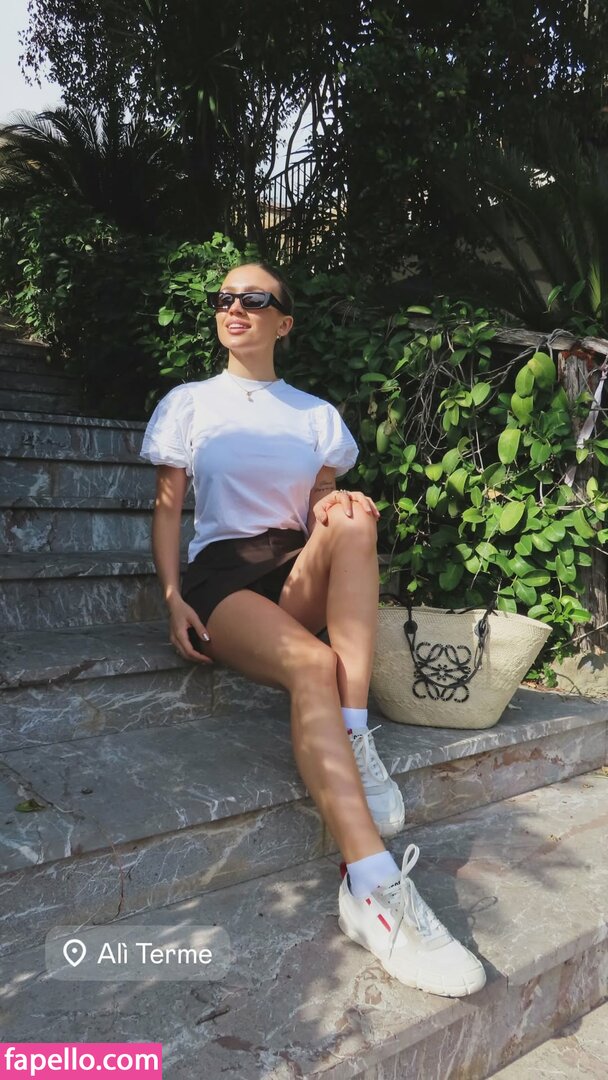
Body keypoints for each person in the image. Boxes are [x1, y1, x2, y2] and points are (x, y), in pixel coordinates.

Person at [140, 261, 486, 998]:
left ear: (284, 322)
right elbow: (169, 508)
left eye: (253, 298)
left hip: (293, 565)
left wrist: (335, 502)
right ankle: (372, 886)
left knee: (354, 514)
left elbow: (320, 504)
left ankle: (353, 733)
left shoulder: (316, 415)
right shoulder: (189, 403)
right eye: (224, 298)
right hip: (224, 578)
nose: (234, 307)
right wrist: (171, 597)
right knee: (309, 663)